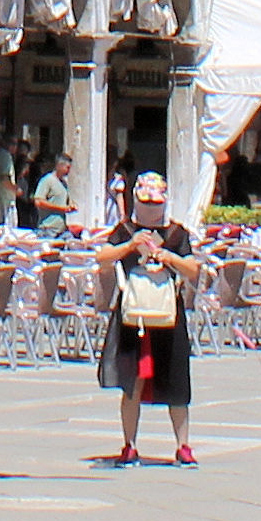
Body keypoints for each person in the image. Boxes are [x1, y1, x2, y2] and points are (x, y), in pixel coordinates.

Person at [98, 172, 198, 465]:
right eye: (146, 202)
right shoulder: (125, 229)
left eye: (156, 203)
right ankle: (129, 443)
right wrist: (129, 246)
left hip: (168, 315)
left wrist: (169, 257)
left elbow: (193, 270)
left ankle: (183, 445)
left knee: (177, 380)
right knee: (133, 380)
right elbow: (103, 258)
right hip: (134, 317)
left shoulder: (177, 233)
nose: (152, 209)